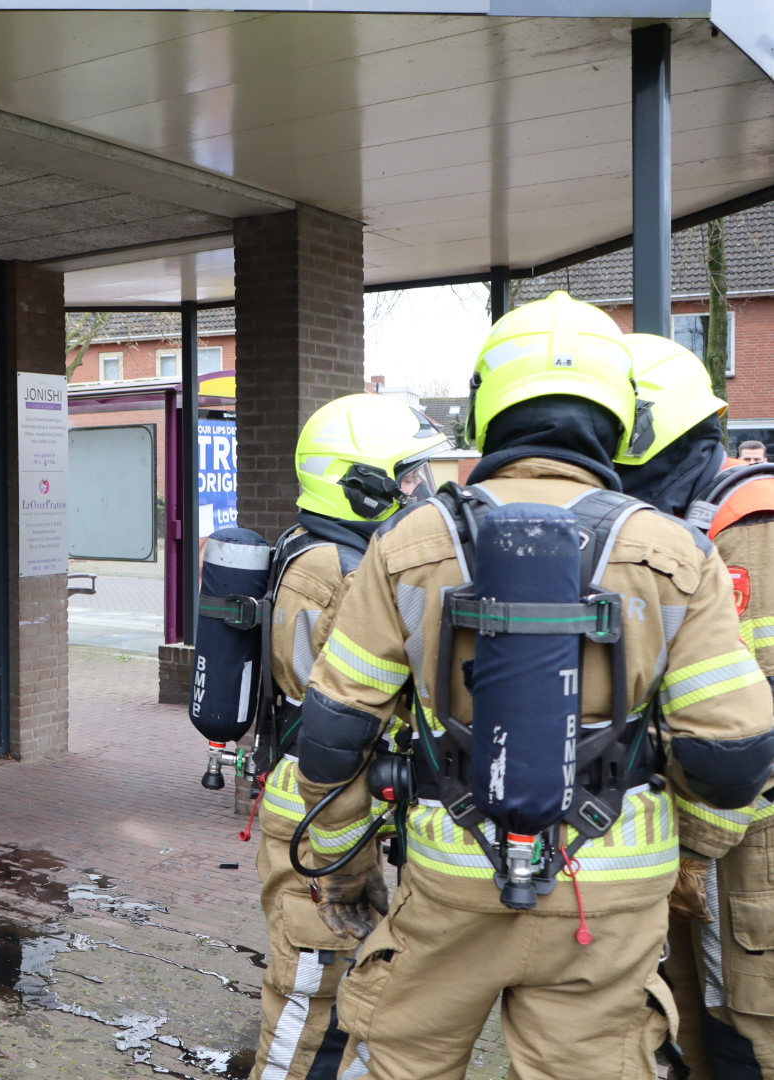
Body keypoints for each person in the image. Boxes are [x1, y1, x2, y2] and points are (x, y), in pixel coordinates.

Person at [295, 291, 774, 1080]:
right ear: (621, 412)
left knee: (401, 1063)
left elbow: (333, 737)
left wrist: (345, 874)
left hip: (450, 884)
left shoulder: (410, 543)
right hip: (609, 907)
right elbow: (735, 757)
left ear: (488, 407)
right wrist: (681, 857)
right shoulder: (677, 555)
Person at [251, 392, 449, 1080]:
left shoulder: (327, 552)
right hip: (320, 802)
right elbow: (334, 696)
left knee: (342, 980)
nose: (417, 489)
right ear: (359, 487)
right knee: (313, 989)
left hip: (333, 797)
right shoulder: (332, 567)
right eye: (404, 476)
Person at [616, 333, 774, 1078]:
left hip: (745, 857)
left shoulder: (749, 536)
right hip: (706, 853)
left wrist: (690, 852)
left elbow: (754, 731)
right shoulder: (683, 533)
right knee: (699, 1030)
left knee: (747, 1038)